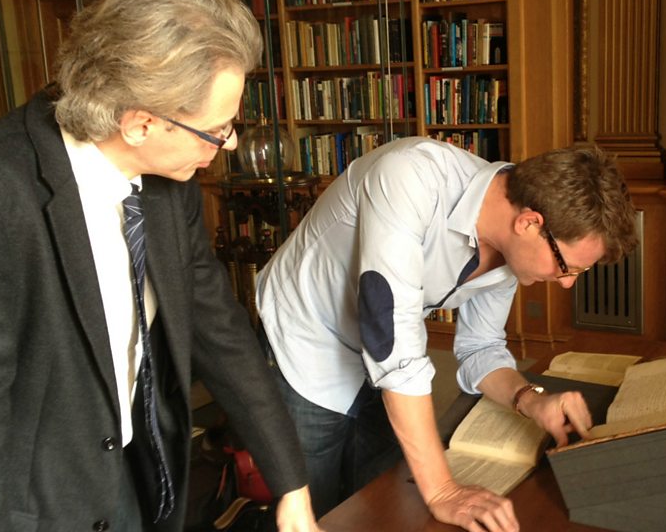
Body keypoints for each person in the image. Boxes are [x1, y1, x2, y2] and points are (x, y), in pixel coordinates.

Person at [0, 0, 319, 532]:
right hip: (34, 509)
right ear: (139, 124)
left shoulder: (169, 177)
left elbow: (219, 330)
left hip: (140, 478)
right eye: (216, 129)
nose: (230, 142)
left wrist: (291, 483)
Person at [256, 136, 638, 531]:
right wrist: (442, 490)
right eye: (567, 266)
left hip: (379, 362)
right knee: (309, 510)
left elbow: (481, 348)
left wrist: (531, 399)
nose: (567, 283)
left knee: (379, 500)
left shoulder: (510, 248)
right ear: (529, 223)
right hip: (306, 342)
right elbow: (393, 342)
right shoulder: (410, 176)